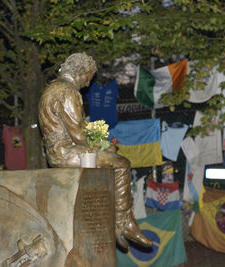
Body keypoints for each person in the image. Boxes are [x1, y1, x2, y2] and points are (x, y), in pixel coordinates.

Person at [38, 52, 153, 251]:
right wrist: (105, 145)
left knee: (112, 159)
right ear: (80, 72)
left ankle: (121, 221)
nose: (88, 83)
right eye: (88, 77)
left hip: (58, 152)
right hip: (68, 153)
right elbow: (79, 134)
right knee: (121, 163)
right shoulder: (67, 91)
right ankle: (123, 222)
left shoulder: (51, 89)